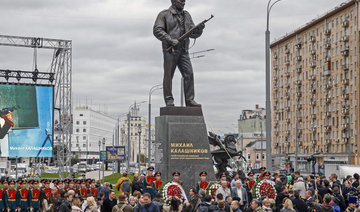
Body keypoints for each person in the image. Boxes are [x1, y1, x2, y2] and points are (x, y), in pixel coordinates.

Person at [153, 0, 205, 107]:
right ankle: (169, 100)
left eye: (184, 1)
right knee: (168, 75)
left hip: (183, 50)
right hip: (170, 50)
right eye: (181, 0)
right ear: (173, 1)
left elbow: (192, 33)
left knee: (189, 73)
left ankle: (189, 100)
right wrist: (171, 40)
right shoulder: (164, 14)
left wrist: (199, 30)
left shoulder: (187, 15)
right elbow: (157, 30)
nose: (183, 2)